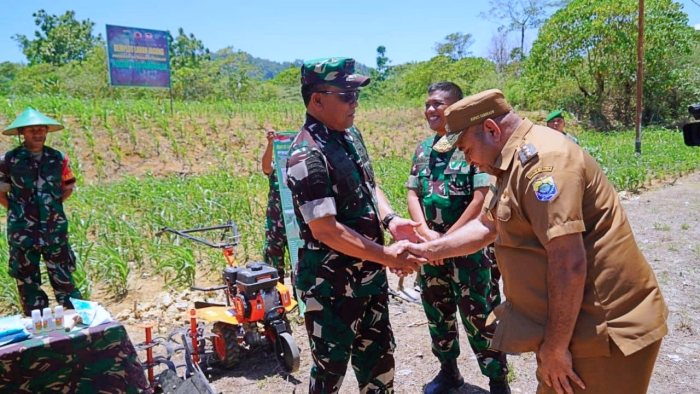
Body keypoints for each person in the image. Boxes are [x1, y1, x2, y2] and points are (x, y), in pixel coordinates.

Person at [402, 89, 668, 394]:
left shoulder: (544, 162)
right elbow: (486, 226)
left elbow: (568, 261)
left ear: (491, 130)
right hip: (577, 327)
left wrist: (554, 349)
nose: (468, 160)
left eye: (466, 147)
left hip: (604, 332)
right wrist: (426, 250)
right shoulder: (511, 162)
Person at [285, 57, 424, 394]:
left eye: (356, 95)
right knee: (330, 372)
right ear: (317, 100)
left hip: (369, 278)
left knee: (379, 363)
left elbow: (367, 185)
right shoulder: (307, 155)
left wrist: (390, 219)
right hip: (330, 288)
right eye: (346, 95)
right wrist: (388, 257)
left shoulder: (348, 136)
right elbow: (326, 230)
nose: (355, 103)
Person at [406, 82, 509, 394]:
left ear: (456, 108)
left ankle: (497, 382)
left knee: (482, 316)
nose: (430, 110)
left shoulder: (472, 142)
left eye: (438, 104)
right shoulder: (424, 149)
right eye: (427, 104)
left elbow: (481, 197)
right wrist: (425, 235)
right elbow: (413, 191)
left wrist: (445, 242)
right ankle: (449, 373)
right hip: (431, 252)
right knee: (438, 314)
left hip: (470, 252)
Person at [0, 107, 82, 316]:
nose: (37, 134)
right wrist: (20, 212)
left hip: (54, 229)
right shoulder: (9, 161)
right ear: (22, 133)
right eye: (31, 130)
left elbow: (67, 187)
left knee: (62, 272)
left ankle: (76, 316)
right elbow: (1, 193)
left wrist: (50, 208)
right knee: (26, 277)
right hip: (22, 231)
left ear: (46, 132)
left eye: (41, 129)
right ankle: (37, 320)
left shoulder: (58, 158)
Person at [261, 128, 288, 282]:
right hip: (276, 224)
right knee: (274, 264)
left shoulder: (299, 170)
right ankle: (277, 299)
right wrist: (271, 144)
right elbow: (266, 167)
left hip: (296, 225)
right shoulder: (276, 169)